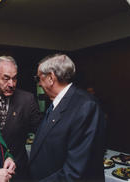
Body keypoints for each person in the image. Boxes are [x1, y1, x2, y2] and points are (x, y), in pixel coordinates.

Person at [29, 54, 106, 182]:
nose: (39, 84)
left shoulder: (86, 106)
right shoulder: (57, 102)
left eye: (39, 78)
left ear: (51, 78)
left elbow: (76, 171)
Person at [0, 56, 42, 180]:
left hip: (18, 171)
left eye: (14, 78)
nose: (11, 84)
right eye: (6, 78)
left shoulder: (27, 100)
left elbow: (41, 133)